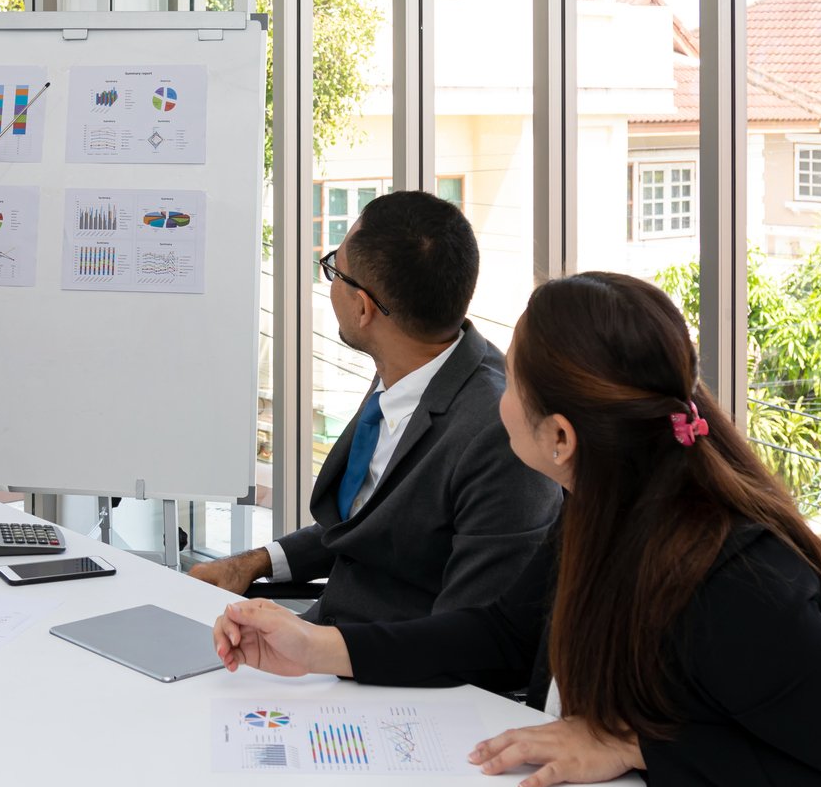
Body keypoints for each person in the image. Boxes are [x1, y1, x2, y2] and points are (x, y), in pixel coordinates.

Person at [213, 271, 821, 787]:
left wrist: (634, 746)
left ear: (558, 436)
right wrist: (316, 647)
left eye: (512, 377)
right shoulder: (599, 502)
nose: (495, 389)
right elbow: (501, 633)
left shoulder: (733, 585)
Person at [189, 191, 559, 637]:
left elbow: (470, 637)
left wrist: (313, 646)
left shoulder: (498, 433)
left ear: (363, 307)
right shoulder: (408, 365)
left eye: (333, 270)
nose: (329, 284)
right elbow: (374, 525)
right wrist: (255, 562)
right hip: (324, 644)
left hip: (395, 680)